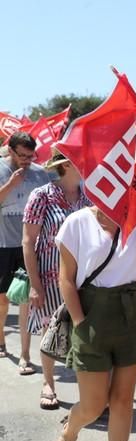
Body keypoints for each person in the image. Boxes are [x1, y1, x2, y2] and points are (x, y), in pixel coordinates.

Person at [51, 206, 136, 441]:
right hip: (92, 311)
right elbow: (66, 279)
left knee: (123, 400)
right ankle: (70, 432)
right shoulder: (77, 222)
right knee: (93, 406)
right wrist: (80, 322)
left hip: (131, 309)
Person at [22, 152, 91, 410]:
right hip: (49, 276)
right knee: (50, 331)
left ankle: (89, 392)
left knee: (82, 330)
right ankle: (48, 383)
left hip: (83, 278)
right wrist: (35, 283)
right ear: (67, 165)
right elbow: (28, 242)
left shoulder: (88, 198)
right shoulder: (42, 195)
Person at [0, 132, 51, 371]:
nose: (27, 161)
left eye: (31, 156)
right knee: (2, 300)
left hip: (30, 245)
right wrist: (11, 185)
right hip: (3, 244)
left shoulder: (40, 174)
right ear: (10, 150)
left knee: (25, 301)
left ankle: (24, 355)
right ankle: (1, 341)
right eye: (22, 155)